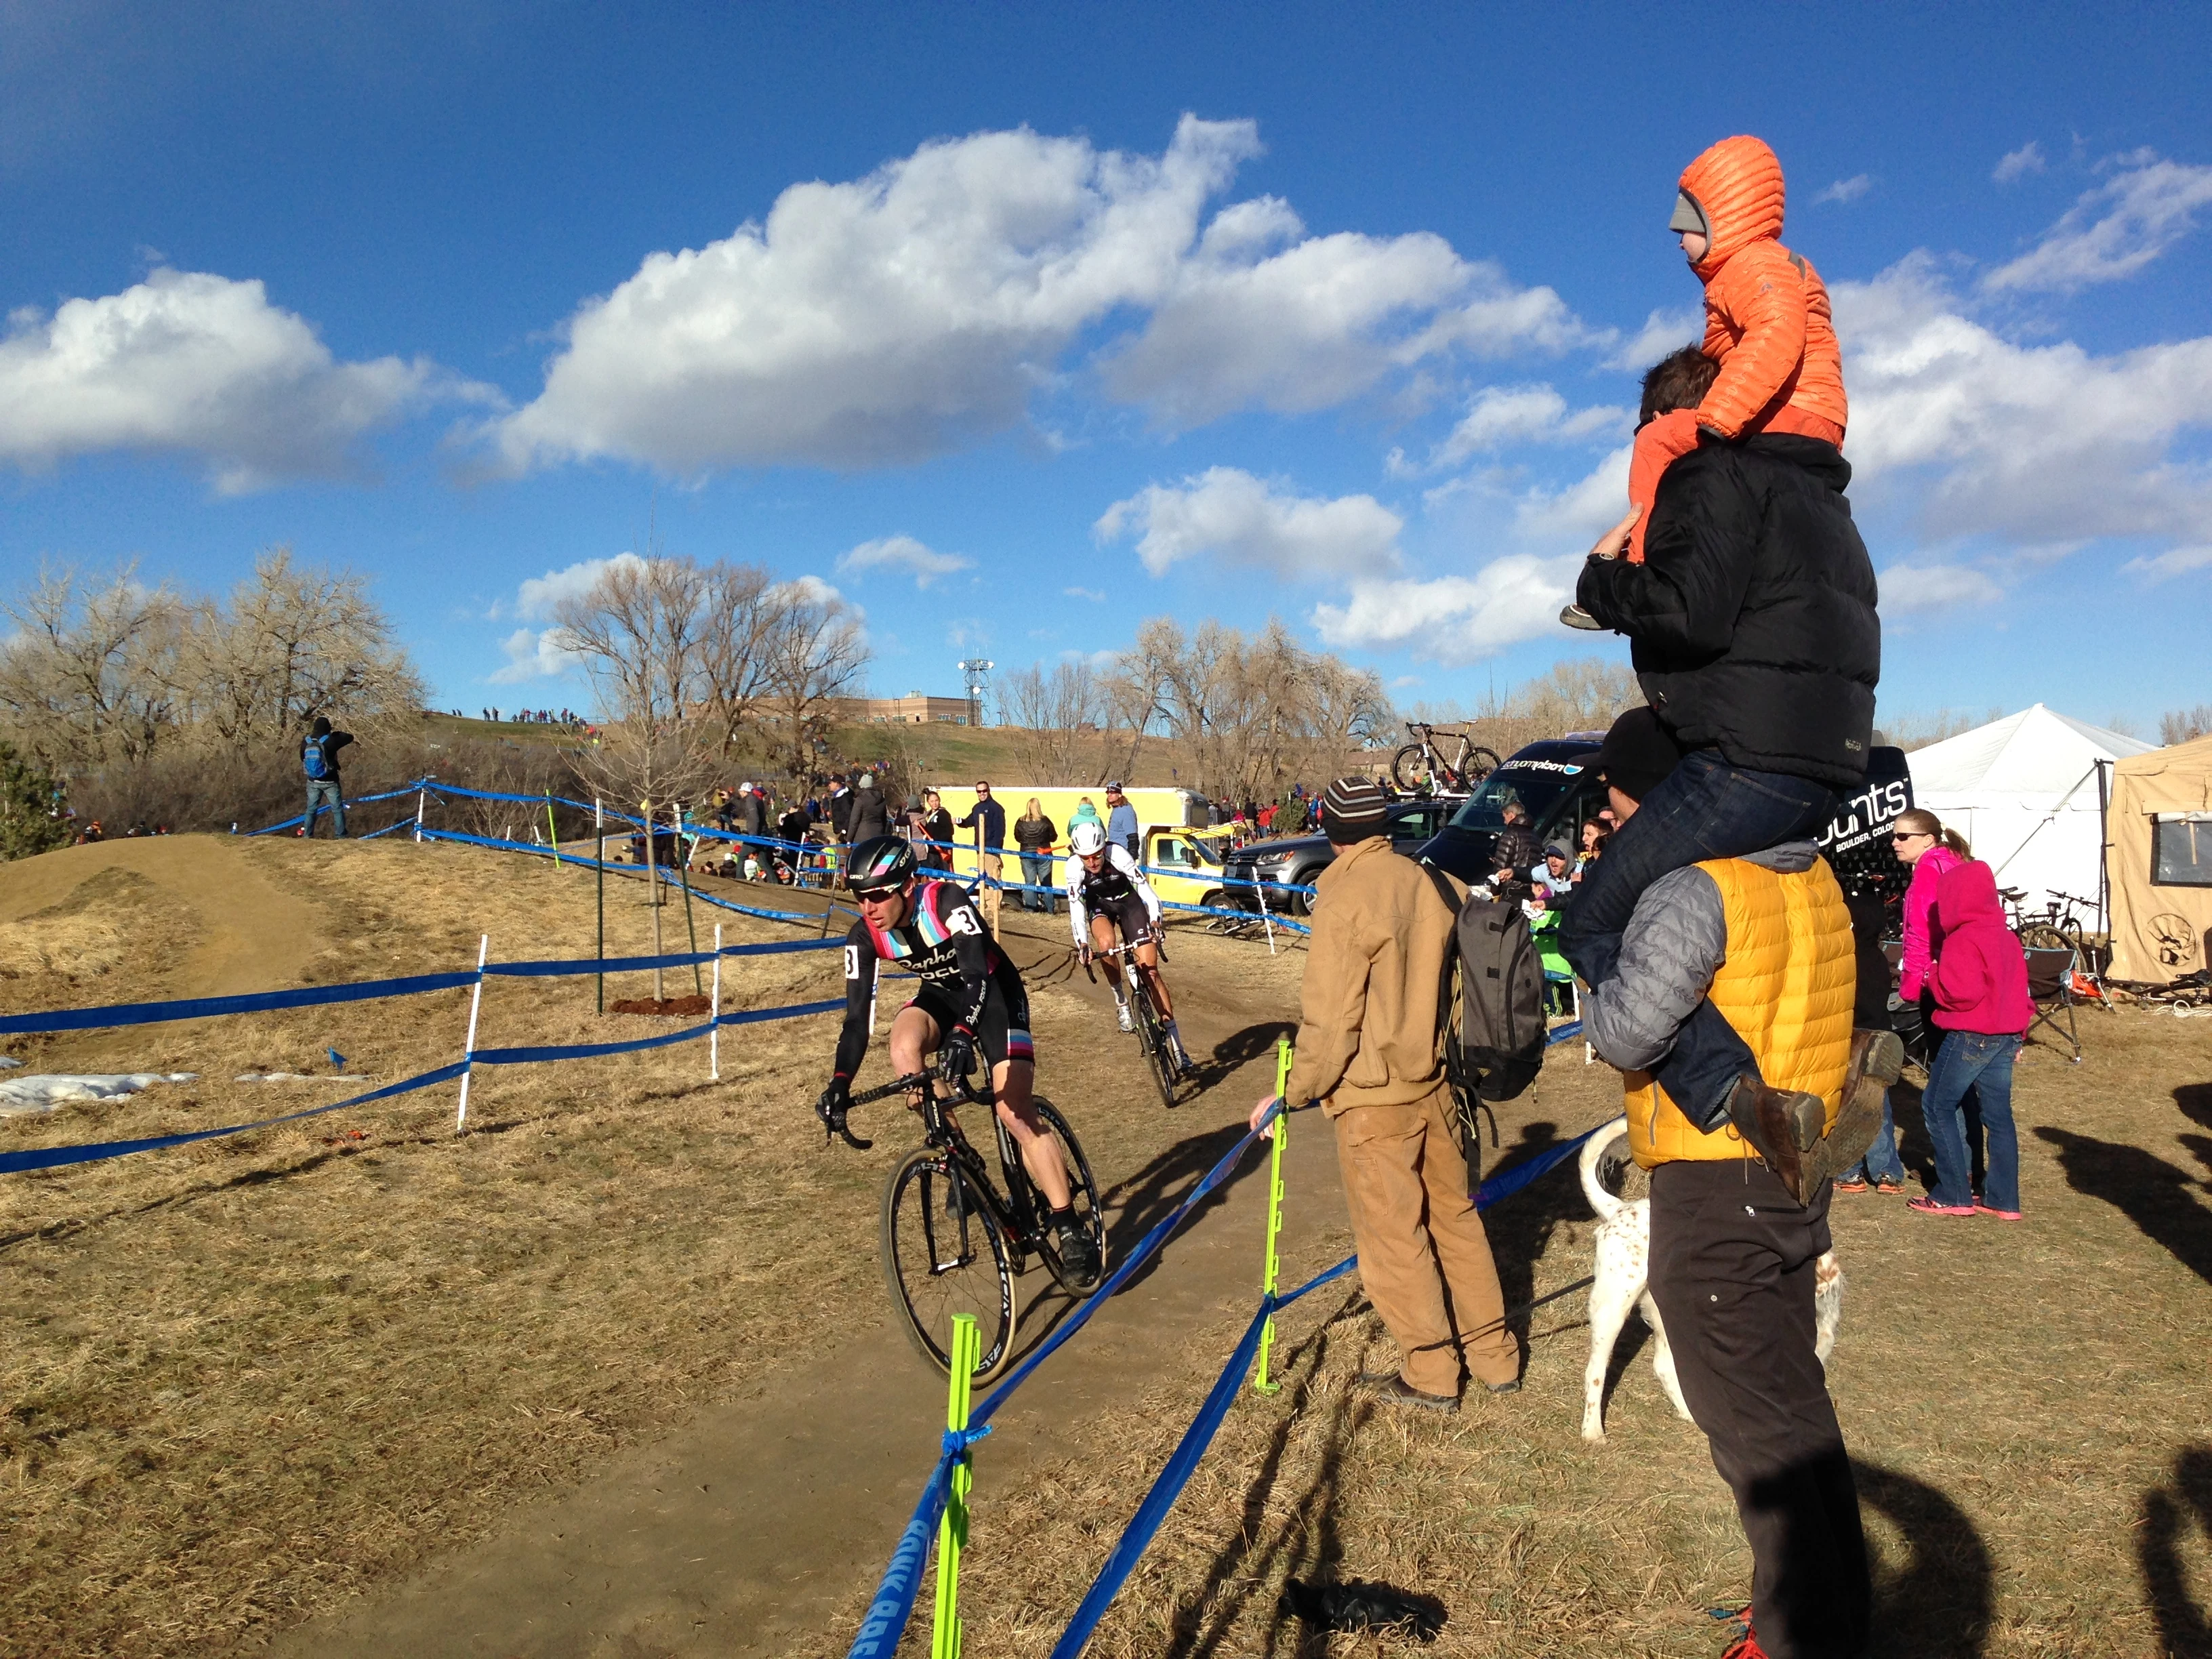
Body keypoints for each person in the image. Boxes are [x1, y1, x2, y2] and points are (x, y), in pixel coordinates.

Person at [1579, 714, 1872, 1659]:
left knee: (1754, 1433)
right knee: (1795, 1406)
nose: (1610, 823)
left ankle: (1797, 1639)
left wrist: (1598, 968)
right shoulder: (1809, 872)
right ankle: (1836, 1611)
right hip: (1791, 1177)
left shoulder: (1693, 888)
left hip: (1715, 1183)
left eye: (1616, 804)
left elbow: (1628, 1033)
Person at [1563, 309, 1885, 1151]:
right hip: (1830, 761)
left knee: (1589, 922)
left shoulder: (1708, 473)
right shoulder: (1820, 502)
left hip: (1744, 758)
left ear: (1662, 420)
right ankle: (1847, 1053)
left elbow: (1691, 614)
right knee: (1775, 909)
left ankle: (1736, 1094)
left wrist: (1601, 583)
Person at [1248, 775, 1519, 1410]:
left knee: (1396, 1243)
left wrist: (1292, 1092)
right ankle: (1496, 1358)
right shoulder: (1435, 882)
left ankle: (1431, 1375)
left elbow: (1331, 1020)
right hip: (1442, 1089)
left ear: (1334, 834)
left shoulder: (1343, 899)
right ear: (1383, 827)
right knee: (1457, 1222)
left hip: (1375, 1101)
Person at [819, 838, 1099, 1284]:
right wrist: (839, 1082)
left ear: (907, 886)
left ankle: (1069, 1225)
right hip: (941, 997)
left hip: (993, 993)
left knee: (1013, 1111)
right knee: (903, 1049)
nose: (868, 907)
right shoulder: (863, 936)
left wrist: (964, 1035)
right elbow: (855, 1021)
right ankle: (962, 1159)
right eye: (860, 897)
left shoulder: (945, 901)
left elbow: (974, 974)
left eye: (878, 895)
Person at [1911, 858, 2033, 1221]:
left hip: (1971, 1035)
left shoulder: (1962, 940)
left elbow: (1960, 995)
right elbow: (2020, 991)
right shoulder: (2007, 937)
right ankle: (2003, 1200)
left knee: (1937, 1105)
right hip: (2006, 1036)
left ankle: (1952, 1194)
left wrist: (1932, 976)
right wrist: (2019, 1036)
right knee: (1999, 1117)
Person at [1066, 819, 1187, 1065]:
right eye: (1086, 858)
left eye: (1096, 855)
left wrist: (1155, 921)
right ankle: (1121, 1000)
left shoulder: (1118, 854)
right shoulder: (1073, 867)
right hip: (1100, 907)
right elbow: (1076, 909)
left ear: (1104, 849)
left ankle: (1177, 1046)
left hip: (1129, 904)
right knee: (1106, 944)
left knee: (1150, 972)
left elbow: (1146, 891)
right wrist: (1082, 944)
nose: (1092, 862)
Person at [1833, 884, 1907, 1195]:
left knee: (1846, 1105)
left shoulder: (1845, 960)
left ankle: (1849, 1170)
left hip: (1853, 1040)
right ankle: (1887, 1170)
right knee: (1878, 1106)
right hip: (1881, 1039)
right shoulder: (1878, 959)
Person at [1891, 808, 1969, 1007]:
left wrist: (1911, 986)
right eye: (1894, 836)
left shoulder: (1928, 869)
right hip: (1959, 969)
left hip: (1935, 974)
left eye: (1903, 837)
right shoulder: (1952, 860)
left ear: (1928, 840)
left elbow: (1921, 931)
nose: (1895, 843)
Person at [957, 780, 1008, 932]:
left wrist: (993, 848)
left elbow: (1001, 831)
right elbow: (970, 822)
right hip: (980, 849)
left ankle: (994, 905)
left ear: (989, 791)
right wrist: (959, 822)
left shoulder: (996, 808)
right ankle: (984, 903)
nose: (982, 794)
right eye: (979, 791)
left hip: (991, 849)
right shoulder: (977, 807)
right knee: (982, 876)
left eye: (984, 791)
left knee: (993, 876)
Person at [302, 716, 352, 838]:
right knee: (337, 809)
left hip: (313, 781)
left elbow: (302, 758)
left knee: (311, 809)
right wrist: (336, 734)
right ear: (328, 728)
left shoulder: (306, 741)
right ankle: (341, 835)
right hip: (330, 781)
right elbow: (349, 737)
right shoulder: (331, 741)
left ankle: (307, 835)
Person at [1490, 796, 1540, 899]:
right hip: (1531, 890)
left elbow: (1501, 867)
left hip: (1511, 891)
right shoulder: (1536, 837)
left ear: (1511, 815)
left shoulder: (1510, 834)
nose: (1504, 822)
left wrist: (1494, 891)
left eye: (1505, 817)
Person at [1015, 797, 1059, 914]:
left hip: (1027, 854)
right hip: (1044, 854)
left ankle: (1031, 909)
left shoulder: (1021, 821)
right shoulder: (1045, 821)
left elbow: (1017, 838)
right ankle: (1050, 910)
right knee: (1046, 883)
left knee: (1030, 883)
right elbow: (1054, 837)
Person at [848, 773, 890, 844]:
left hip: (862, 836)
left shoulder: (860, 799)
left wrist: (849, 839)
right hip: (879, 834)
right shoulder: (881, 799)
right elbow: (884, 819)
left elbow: (854, 821)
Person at [920, 789, 955, 872]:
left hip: (943, 848)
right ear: (928, 802)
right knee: (933, 873)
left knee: (947, 873)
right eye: (932, 801)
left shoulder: (944, 814)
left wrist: (936, 840)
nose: (935, 803)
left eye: (936, 801)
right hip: (932, 849)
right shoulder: (928, 815)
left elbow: (950, 831)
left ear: (939, 800)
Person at [1104, 782, 1140, 862]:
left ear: (1120, 794)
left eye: (1113, 793)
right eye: (1108, 793)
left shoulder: (1126, 811)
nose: (1109, 795)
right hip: (1113, 855)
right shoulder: (1117, 809)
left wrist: (1131, 859)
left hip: (1123, 856)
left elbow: (1133, 837)